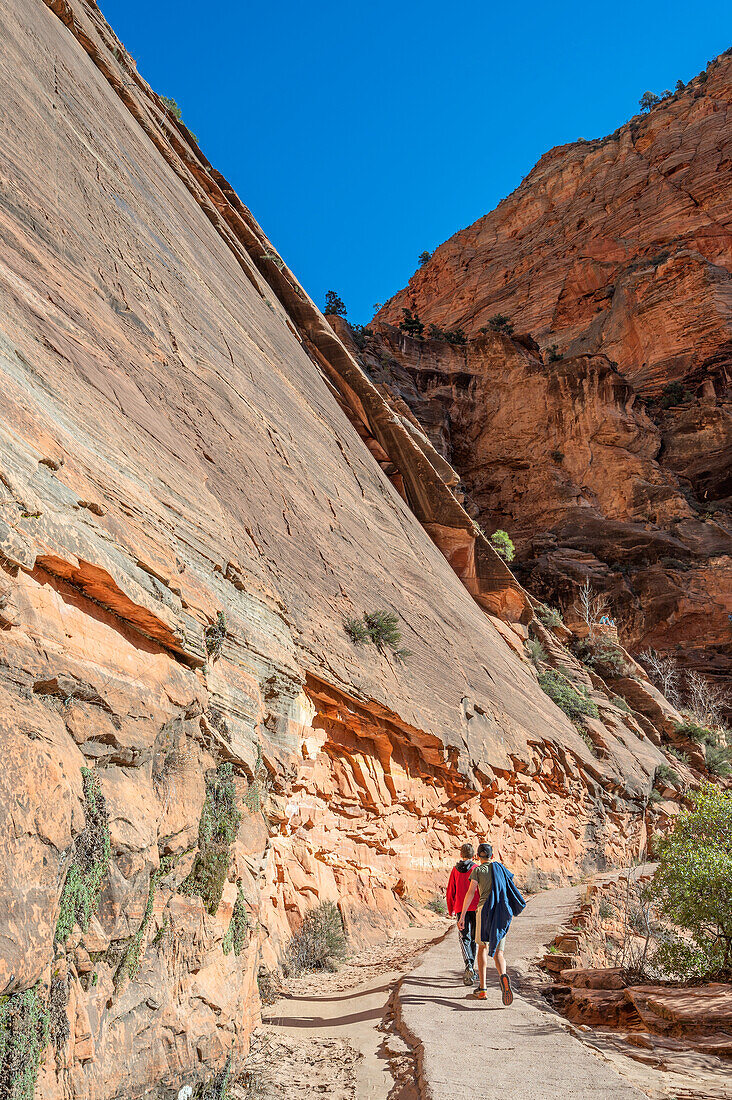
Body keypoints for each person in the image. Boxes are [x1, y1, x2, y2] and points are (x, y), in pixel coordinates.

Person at [458, 842, 526, 1004]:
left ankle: (482, 989)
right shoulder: (500, 869)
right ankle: (503, 976)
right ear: (492, 856)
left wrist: (462, 916)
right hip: (501, 912)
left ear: (477, 857)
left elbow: (471, 892)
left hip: (483, 910)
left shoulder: (478, 870)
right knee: (499, 952)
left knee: (482, 947)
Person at [446, 843, 479, 985]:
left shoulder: (455, 870)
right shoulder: (476, 868)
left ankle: (469, 965)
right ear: (473, 856)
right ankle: (471, 967)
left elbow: (450, 891)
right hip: (476, 908)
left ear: (461, 855)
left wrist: (451, 909)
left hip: (461, 908)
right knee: (473, 938)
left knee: (463, 938)